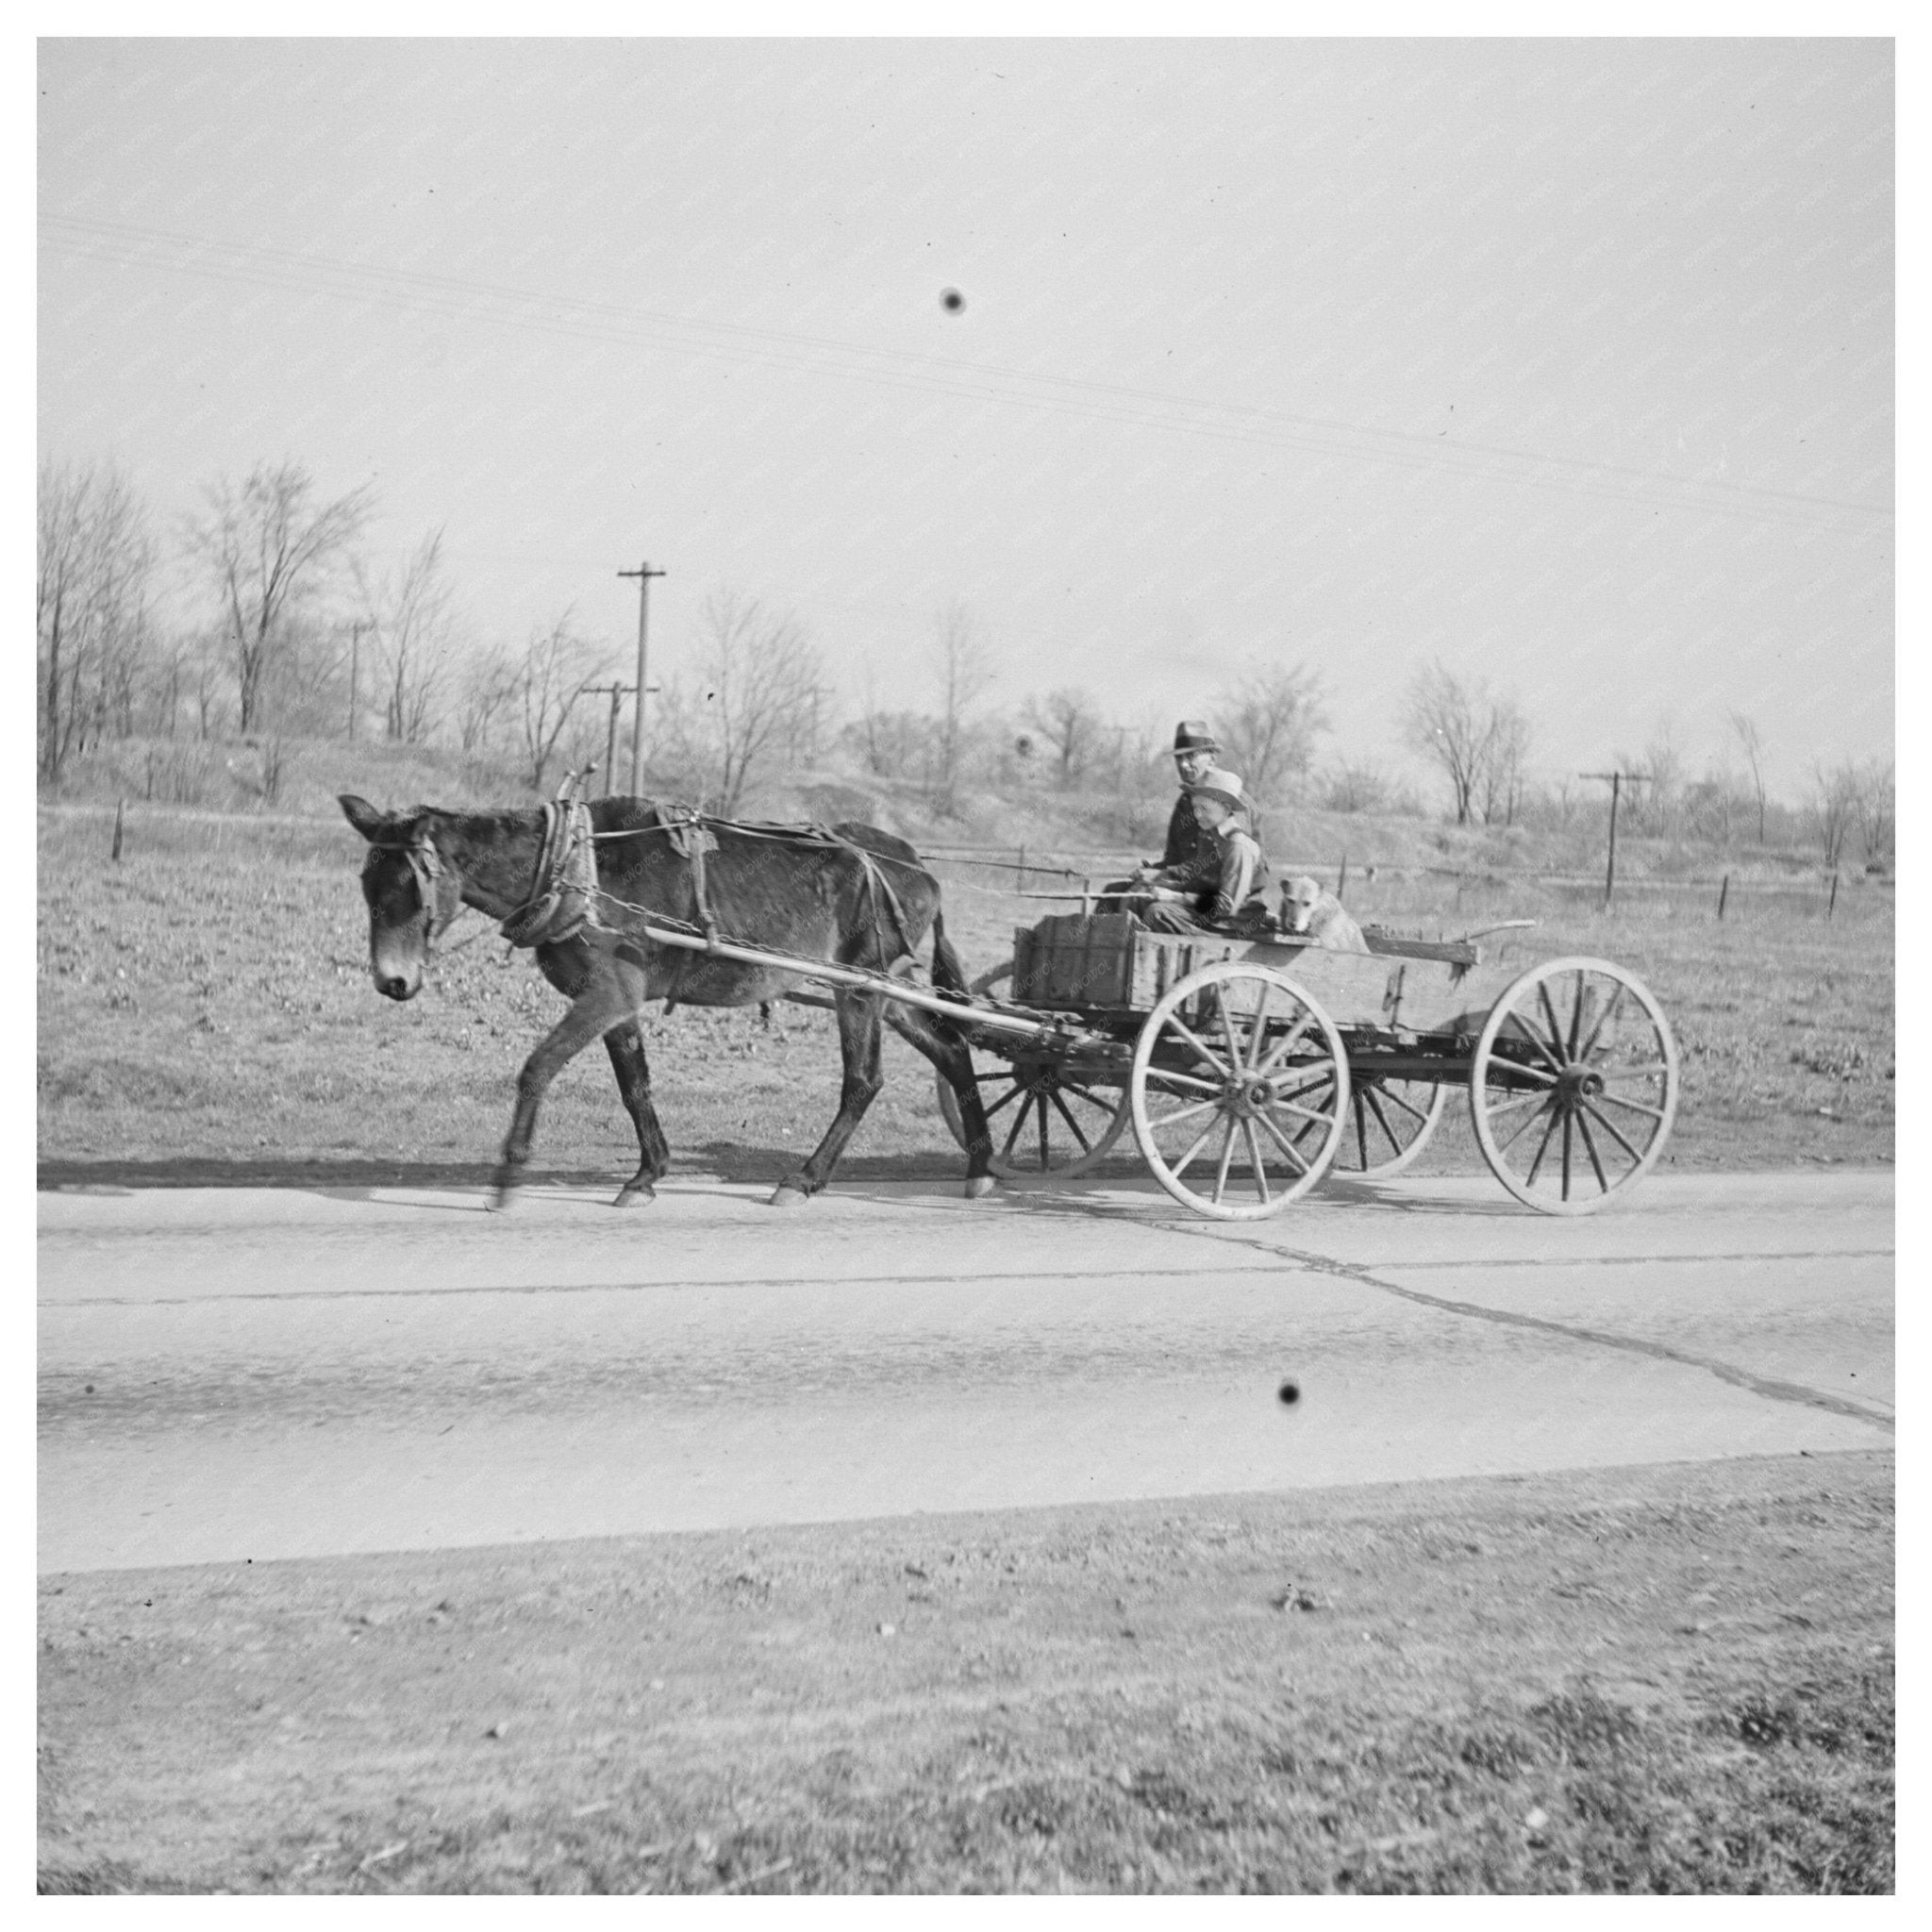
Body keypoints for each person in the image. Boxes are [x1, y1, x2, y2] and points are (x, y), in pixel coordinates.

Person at [1138, 770, 1272, 934]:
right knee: (1142, 897)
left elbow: (1227, 906)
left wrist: (1175, 897)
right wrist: (1162, 885)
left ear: (1226, 807)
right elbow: (1199, 885)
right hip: (1209, 914)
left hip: (1232, 924)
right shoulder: (1207, 836)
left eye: (1205, 809)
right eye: (1195, 808)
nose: (1198, 815)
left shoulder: (1238, 846)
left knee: (1157, 913)